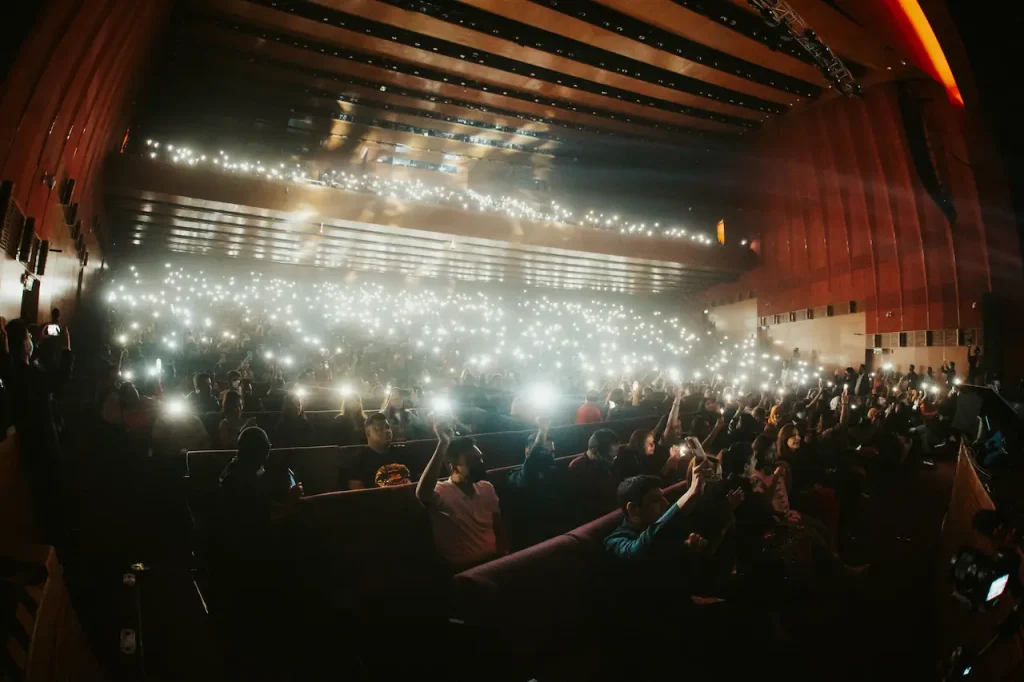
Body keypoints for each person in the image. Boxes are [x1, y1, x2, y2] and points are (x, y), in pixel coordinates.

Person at [1, 318, 73, 542]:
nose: (31, 340)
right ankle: (55, 539)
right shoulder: (28, 374)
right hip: (42, 439)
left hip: (30, 439)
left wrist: (37, 342)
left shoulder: (15, 370)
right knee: (50, 489)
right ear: (22, 343)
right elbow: (58, 379)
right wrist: (66, 348)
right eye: (28, 337)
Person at [415, 424, 507, 571]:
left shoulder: (487, 487)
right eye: (473, 461)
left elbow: (498, 526)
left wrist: (504, 556)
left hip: (493, 563)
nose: (480, 464)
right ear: (453, 467)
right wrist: (443, 443)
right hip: (463, 569)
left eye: (480, 459)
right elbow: (422, 493)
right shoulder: (442, 491)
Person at [568, 428, 620, 522]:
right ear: (594, 451)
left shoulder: (605, 464)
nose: (613, 461)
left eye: (614, 457)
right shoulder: (578, 468)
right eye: (610, 457)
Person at [344, 412, 401, 489]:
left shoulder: (402, 453)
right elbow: (357, 493)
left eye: (388, 427)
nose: (386, 431)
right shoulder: (358, 461)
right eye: (379, 429)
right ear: (368, 433)